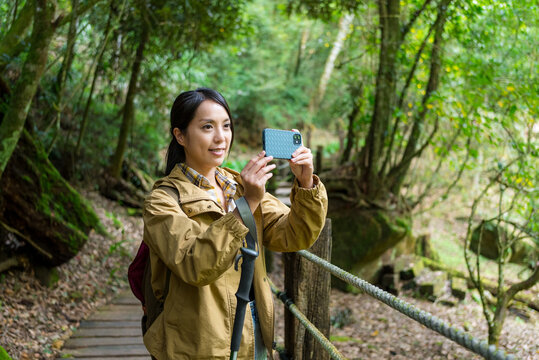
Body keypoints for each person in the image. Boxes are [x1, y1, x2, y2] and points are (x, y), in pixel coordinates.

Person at [142, 87, 328, 359]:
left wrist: (306, 183)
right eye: (207, 127)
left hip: (254, 331)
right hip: (197, 340)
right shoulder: (162, 201)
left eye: (226, 126)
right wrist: (247, 205)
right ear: (179, 135)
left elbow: (295, 235)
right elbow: (195, 266)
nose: (220, 137)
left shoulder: (239, 185)